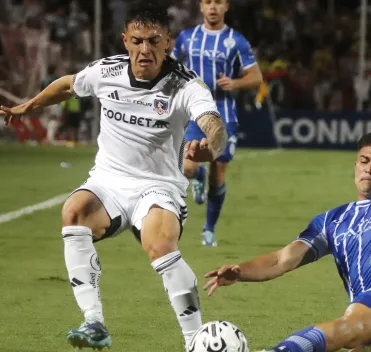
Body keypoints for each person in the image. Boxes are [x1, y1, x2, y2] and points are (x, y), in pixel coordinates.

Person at [1, 1, 227, 350]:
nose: (145, 50)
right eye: (137, 41)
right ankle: (94, 323)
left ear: (168, 41)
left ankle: (194, 340)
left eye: (154, 41)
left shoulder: (185, 85)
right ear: (125, 40)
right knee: (73, 212)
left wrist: (211, 148)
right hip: (108, 180)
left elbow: (213, 124)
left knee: (160, 246)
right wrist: (26, 107)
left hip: (159, 186)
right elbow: (67, 85)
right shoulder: (106, 72)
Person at [203, 51, 371, 352]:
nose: (370, 167)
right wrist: (241, 271)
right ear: (354, 166)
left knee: (349, 327)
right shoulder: (332, 221)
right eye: (364, 160)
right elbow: (282, 259)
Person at [172, 0, 262, 247]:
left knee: (219, 173)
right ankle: (197, 172)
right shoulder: (186, 38)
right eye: (208, 2)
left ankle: (208, 230)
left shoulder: (237, 40)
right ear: (201, 7)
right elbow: (168, 66)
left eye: (218, 2)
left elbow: (256, 77)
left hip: (224, 116)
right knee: (188, 167)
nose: (213, 7)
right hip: (193, 114)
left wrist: (235, 83)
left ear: (226, 7)